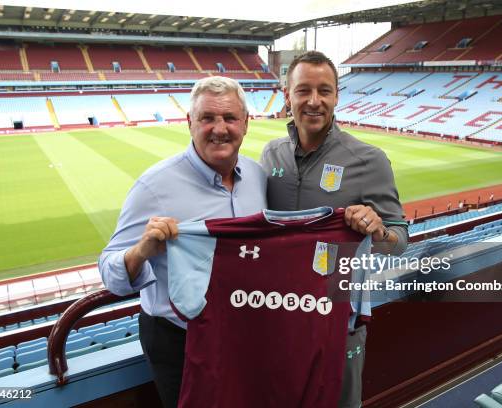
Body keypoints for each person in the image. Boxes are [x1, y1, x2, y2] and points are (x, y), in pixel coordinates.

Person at [98, 76, 266, 408]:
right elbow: (110, 272)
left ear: (246, 123)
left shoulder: (258, 177)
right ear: (190, 123)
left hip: (245, 330)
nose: (219, 128)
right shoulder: (154, 187)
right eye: (207, 118)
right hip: (180, 342)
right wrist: (142, 249)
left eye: (230, 118)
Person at [260, 51, 408, 408]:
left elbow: (399, 240)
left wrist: (378, 231)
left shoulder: (368, 160)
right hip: (278, 317)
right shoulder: (270, 154)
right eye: (303, 90)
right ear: (287, 95)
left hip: (339, 324)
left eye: (324, 91)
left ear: (337, 96)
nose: (314, 101)